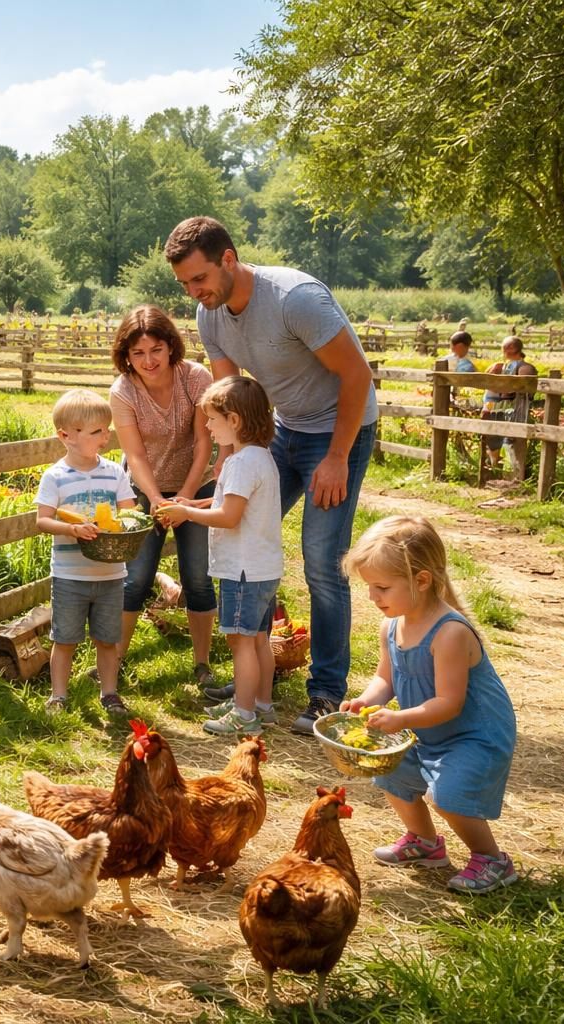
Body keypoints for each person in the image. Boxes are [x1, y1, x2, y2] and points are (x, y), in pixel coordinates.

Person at [165, 216, 377, 735]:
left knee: (322, 562)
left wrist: (335, 457)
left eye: (200, 279)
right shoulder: (210, 316)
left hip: (339, 430)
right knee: (242, 533)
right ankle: (253, 683)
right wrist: (229, 459)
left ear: (229, 260)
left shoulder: (294, 299)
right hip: (280, 431)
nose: (195, 292)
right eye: (185, 284)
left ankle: (326, 692)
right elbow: (229, 396)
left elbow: (356, 375)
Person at [340, 516, 519, 894]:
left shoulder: (450, 632)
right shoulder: (392, 626)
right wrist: (366, 701)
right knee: (390, 773)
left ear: (421, 580)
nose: (373, 597)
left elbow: (449, 703)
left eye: (382, 587)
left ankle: (492, 859)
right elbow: (385, 679)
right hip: (427, 730)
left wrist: (399, 718)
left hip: (473, 735)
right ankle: (424, 842)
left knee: (448, 796)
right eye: (370, 586)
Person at [156, 377, 282, 737]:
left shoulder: (241, 463)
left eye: (212, 419)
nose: (208, 427)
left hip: (242, 570)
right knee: (257, 639)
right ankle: (261, 703)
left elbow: (229, 516)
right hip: (263, 567)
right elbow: (230, 500)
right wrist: (193, 502)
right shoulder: (260, 458)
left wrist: (187, 516)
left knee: (240, 641)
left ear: (235, 421)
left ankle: (243, 715)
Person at [107, 305, 218, 691]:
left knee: (199, 577)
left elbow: (205, 442)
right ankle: (114, 662)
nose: (148, 360)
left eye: (155, 349)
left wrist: (185, 500)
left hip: (197, 484)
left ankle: (202, 664)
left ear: (171, 347)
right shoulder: (123, 390)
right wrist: (155, 500)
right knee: (133, 578)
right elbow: (135, 454)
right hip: (143, 487)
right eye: (138, 353)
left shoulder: (196, 379)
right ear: (126, 356)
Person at [35, 389, 138, 715]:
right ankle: (59, 696)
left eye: (105, 429)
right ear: (66, 436)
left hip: (110, 574)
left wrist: (126, 524)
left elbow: (130, 513)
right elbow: (43, 521)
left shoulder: (114, 472)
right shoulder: (55, 477)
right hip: (70, 575)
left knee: (108, 640)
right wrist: (73, 529)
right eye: (97, 431)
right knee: (64, 639)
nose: (106, 435)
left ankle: (109, 693)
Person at [480, 336, 537, 474]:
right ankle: (498, 470)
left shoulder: (524, 368)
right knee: (496, 441)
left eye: (504, 347)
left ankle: (513, 473)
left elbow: (525, 390)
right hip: (499, 410)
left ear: (510, 349)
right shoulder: (502, 366)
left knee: (510, 442)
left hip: (513, 411)